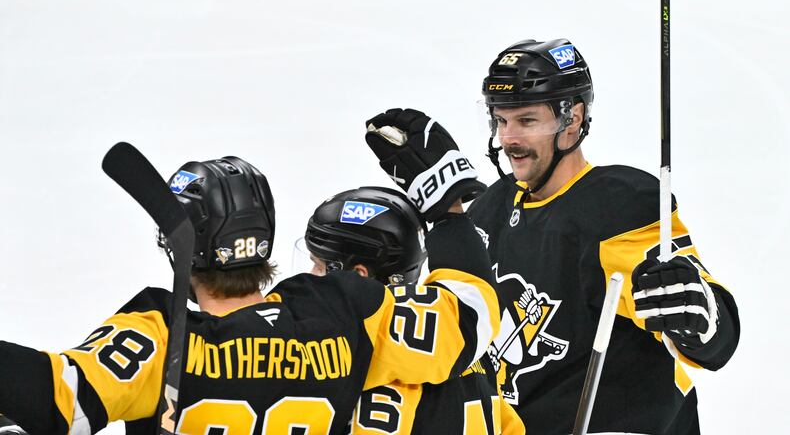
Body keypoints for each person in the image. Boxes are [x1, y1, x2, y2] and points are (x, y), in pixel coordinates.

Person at [364, 39, 740, 435]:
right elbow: (454, 328)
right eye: (501, 120)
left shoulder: (617, 206)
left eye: (526, 121)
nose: (509, 138)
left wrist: (702, 317)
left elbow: (713, 336)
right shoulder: (488, 209)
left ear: (572, 119)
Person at [0, 154, 500, 434]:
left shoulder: (162, 336)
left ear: (181, 251)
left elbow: (53, 399)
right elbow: (471, 317)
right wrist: (450, 212)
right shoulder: (343, 310)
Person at [303, 186, 524, 434]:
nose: (310, 278)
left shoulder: (341, 353)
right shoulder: (469, 348)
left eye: (319, 266)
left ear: (358, 275)